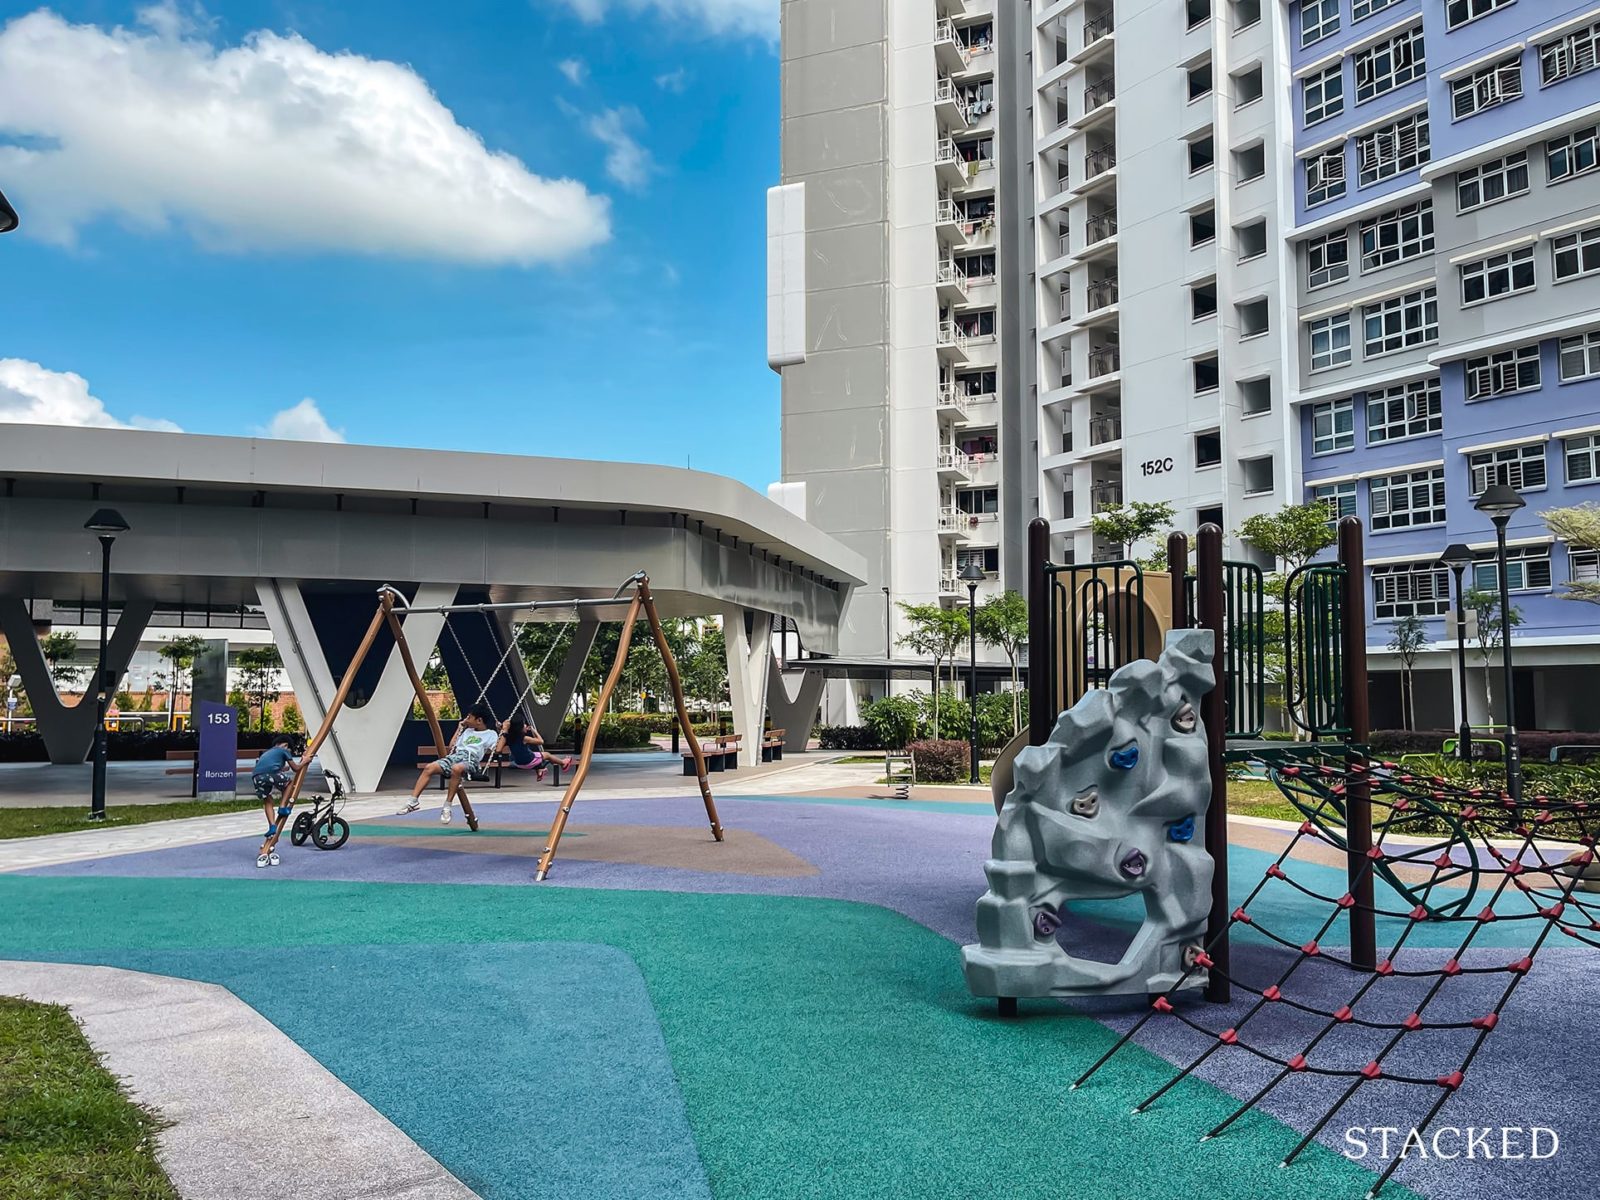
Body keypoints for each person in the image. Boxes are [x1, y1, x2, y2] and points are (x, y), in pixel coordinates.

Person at [400, 705, 493, 828]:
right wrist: (459, 728)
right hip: (456, 757)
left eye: (469, 717)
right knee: (429, 767)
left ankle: (447, 806)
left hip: (471, 760)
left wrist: (504, 732)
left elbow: (497, 749)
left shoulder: (490, 734)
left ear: (479, 720)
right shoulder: (467, 731)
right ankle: (413, 801)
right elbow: (451, 746)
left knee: (457, 769)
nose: (466, 719)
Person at [252, 736, 302, 869]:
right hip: (271, 774)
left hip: (257, 777)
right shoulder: (283, 750)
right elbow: (296, 768)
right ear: (285, 745)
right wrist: (305, 761)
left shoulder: (268, 752)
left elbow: (270, 766)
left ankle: (272, 825)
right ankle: (282, 806)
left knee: (267, 799)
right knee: (288, 783)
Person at [496, 715, 574, 782]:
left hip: (519, 764)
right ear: (520, 728)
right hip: (529, 762)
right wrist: (534, 731)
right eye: (524, 725)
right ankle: (563, 763)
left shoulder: (508, 738)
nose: (525, 725)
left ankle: (540, 771)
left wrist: (503, 729)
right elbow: (541, 741)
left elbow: (501, 742)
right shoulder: (524, 738)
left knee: (535, 755)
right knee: (547, 755)